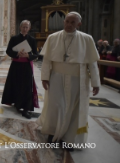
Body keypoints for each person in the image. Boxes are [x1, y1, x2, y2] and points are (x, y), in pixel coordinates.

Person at [36, 11, 100, 151]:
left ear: (79, 24)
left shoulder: (87, 39)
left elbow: (92, 64)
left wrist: (96, 82)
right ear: (64, 21)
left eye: (73, 22)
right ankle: (52, 133)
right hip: (56, 77)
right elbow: (47, 60)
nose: (69, 25)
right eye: (67, 21)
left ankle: (70, 139)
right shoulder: (53, 37)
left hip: (78, 79)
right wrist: (45, 77)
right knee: (55, 105)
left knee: (73, 108)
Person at [1, 20, 39, 119]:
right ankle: (16, 103)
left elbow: (36, 54)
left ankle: (26, 108)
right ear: (20, 27)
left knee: (27, 86)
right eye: (23, 27)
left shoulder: (32, 39)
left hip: (26, 66)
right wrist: (17, 54)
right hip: (16, 66)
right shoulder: (14, 38)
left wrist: (28, 55)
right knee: (15, 85)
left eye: (27, 27)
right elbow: (8, 50)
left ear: (29, 28)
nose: (25, 29)